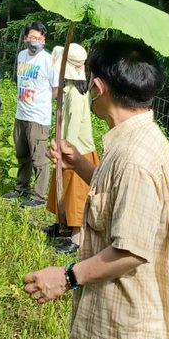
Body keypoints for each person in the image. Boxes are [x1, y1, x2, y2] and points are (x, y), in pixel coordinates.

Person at [24, 37, 169, 339]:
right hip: (119, 323)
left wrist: (67, 276)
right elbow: (122, 203)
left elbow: (131, 249)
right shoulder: (135, 140)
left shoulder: (133, 156)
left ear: (98, 87)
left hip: (121, 328)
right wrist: (80, 165)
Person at [45, 43, 99, 256]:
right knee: (62, 187)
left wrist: (66, 148)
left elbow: (74, 127)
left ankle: (76, 237)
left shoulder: (76, 95)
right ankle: (62, 225)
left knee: (76, 195)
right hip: (67, 147)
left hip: (78, 151)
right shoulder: (67, 90)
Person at [4, 21, 58, 208]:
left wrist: (43, 102)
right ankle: (22, 188)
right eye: (31, 37)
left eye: (38, 37)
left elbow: (56, 89)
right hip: (21, 113)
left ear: (44, 39)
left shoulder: (48, 60)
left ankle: (39, 195)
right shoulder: (21, 56)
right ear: (26, 38)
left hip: (38, 116)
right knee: (22, 154)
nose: (34, 41)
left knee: (39, 158)